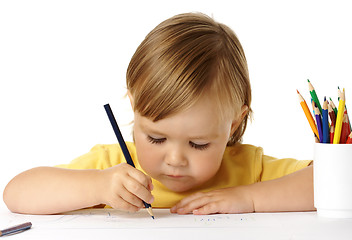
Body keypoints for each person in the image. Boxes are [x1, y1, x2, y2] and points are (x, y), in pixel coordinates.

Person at [3, 12, 314, 215]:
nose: (175, 159)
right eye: (156, 137)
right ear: (135, 107)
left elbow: (338, 181)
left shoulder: (248, 171)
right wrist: (96, 186)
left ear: (232, 123)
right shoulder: (115, 169)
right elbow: (16, 193)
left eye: (198, 144)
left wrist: (251, 199)